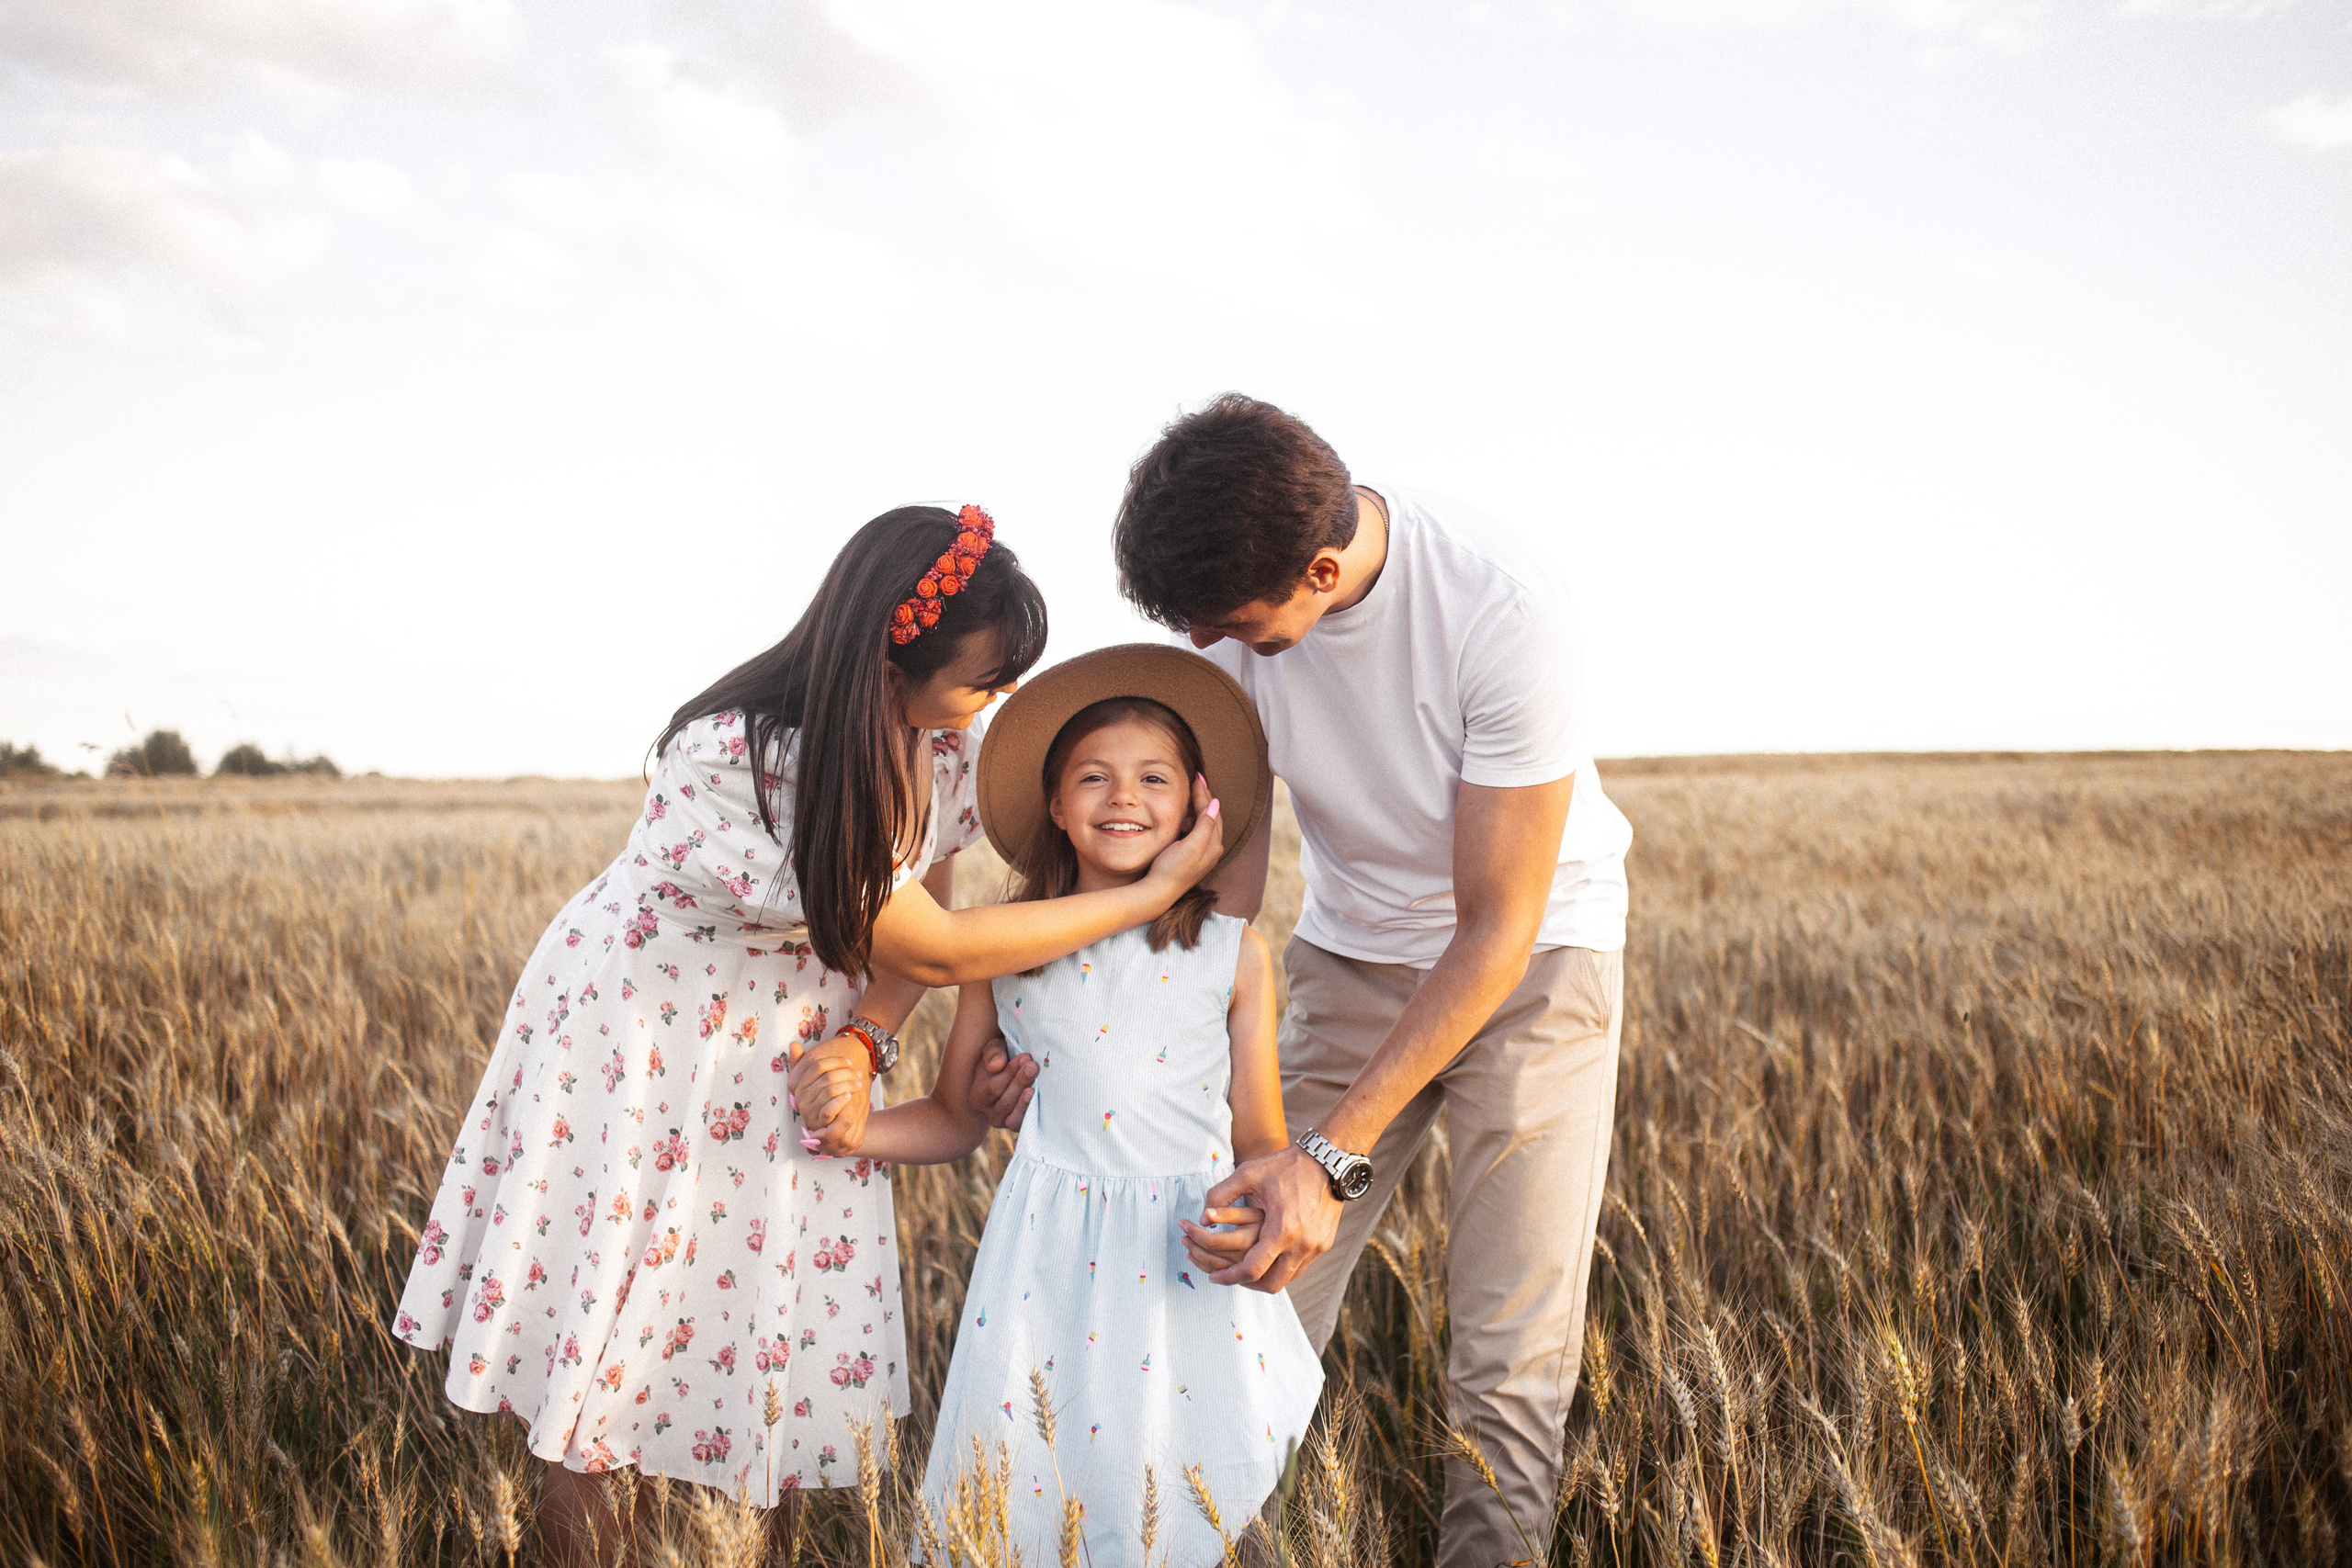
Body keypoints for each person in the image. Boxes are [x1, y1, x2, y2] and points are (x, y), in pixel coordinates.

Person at [392, 507, 1227, 1566]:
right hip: (652, 1050)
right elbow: (935, 946)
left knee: (774, 1340)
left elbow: (925, 909)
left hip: (796, 1043)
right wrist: (1148, 893)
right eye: (984, 679)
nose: (995, 703)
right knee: (618, 1358)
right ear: (890, 661)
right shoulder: (734, 756)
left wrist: (868, 1038)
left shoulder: (939, 746)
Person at [1023, 394, 1633, 1568]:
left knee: (1507, 1363)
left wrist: (1326, 1160)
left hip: (1537, 968)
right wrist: (1111, 1040)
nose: (1207, 646)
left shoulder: (1502, 609)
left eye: (1235, 628)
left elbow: (1496, 927)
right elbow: (1231, 878)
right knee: (1231, 1304)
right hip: (1351, 959)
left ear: (1319, 568)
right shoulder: (1228, 622)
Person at [839, 645, 1322, 1568]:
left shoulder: (1234, 954)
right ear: (1056, 807)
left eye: (1153, 778)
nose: (1123, 796)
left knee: (1190, 1494)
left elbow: (1260, 1132)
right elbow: (955, 1115)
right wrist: (860, 1130)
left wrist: (1256, 1207)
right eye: (1093, 777)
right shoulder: (1003, 952)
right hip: (1045, 1266)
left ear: (1196, 802)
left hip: (1182, 1257)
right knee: (1035, 1493)